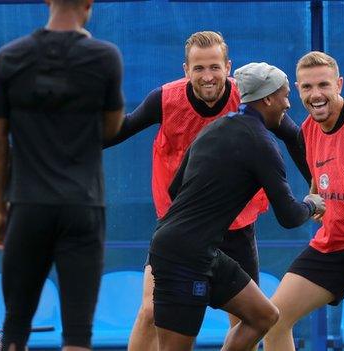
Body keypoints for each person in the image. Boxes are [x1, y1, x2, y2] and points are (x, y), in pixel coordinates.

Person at [103, 31, 303, 351]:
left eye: (214, 67)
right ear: (186, 70)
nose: (207, 76)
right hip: (183, 229)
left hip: (236, 228)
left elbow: (294, 137)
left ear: (228, 67)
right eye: (199, 68)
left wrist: (323, 182)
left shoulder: (252, 101)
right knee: (150, 312)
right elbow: (119, 130)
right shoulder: (165, 99)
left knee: (249, 318)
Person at [148, 62, 325, 351]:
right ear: (267, 98)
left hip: (202, 250)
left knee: (264, 315)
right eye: (283, 95)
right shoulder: (262, 143)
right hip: (182, 256)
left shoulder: (214, 128)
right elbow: (290, 216)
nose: (288, 103)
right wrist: (312, 203)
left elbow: (174, 189)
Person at [0, 0, 124, 349]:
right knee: (78, 332)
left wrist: (1, 209)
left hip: (27, 206)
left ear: (47, 1)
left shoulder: (8, 58)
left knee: (13, 325)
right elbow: (111, 128)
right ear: (88, 3)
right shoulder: (105, 57)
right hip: (83, 207)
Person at [263, 51, 344, 351]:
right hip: (335, 242)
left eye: (323, 85)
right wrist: (316, 196)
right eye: (307, 87)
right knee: (273, 319)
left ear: (339, 84)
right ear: (297, 89)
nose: (316, 94)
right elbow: (321, 175)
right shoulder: (308, 130)